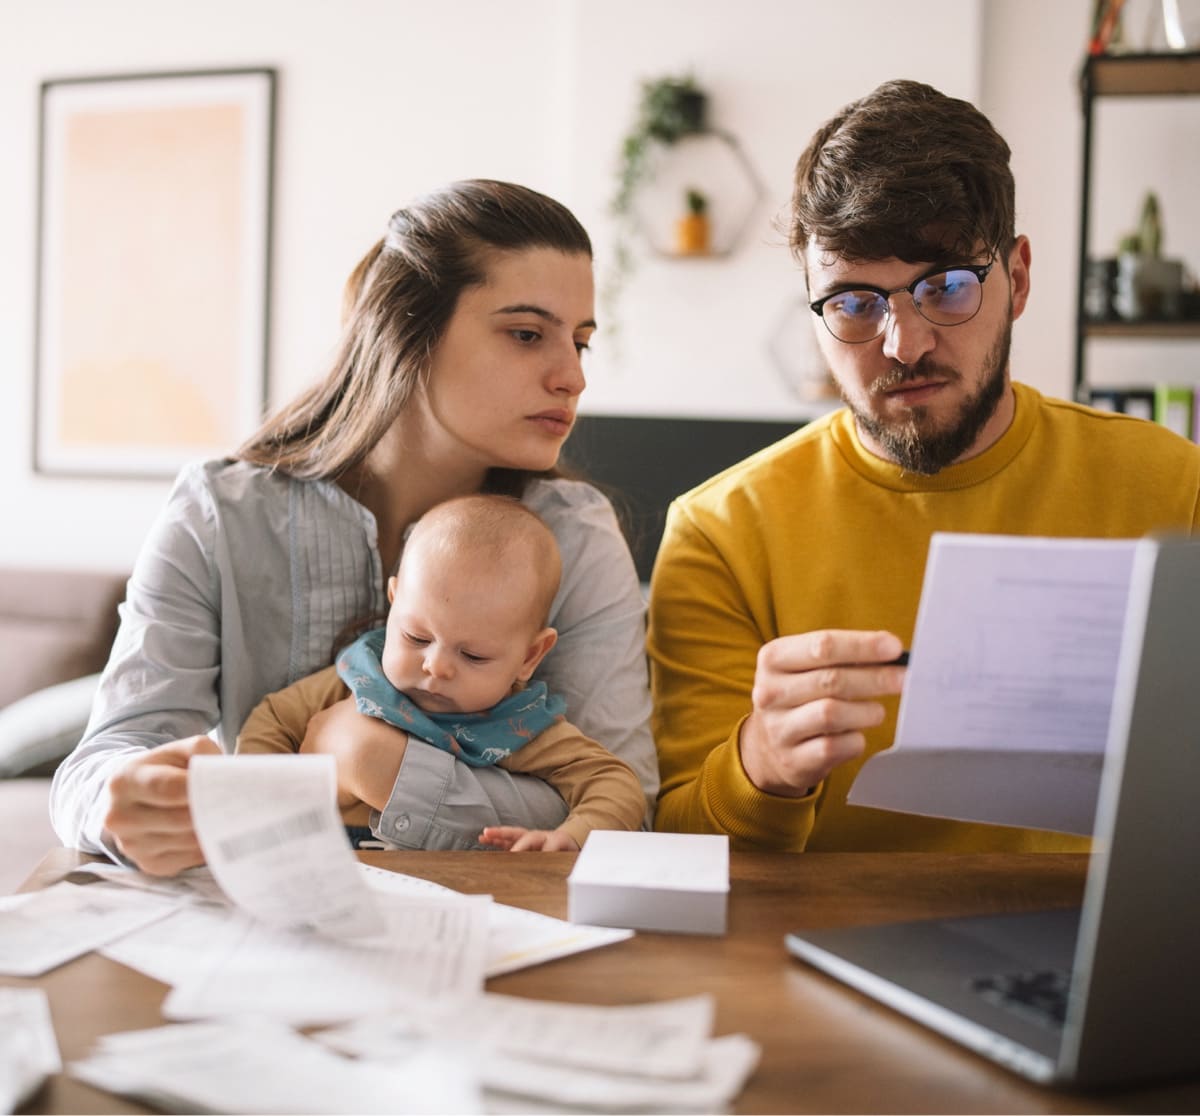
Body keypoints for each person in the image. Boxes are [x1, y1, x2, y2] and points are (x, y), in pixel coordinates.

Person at [648, 79, 1200, 853]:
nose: (903, 344)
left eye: (945, 286)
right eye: (852, 302)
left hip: (1104, 946)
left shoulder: (1177, 489)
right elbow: (674, 849)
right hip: (819, 956)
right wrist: (761, 767)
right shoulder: (720, 533)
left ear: (1021, 278)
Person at [50, 179, 658, 876]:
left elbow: (626, 803)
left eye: (580, 341)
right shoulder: (219, 513)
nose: (573, 376)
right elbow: (97, 766)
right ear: (407, 334)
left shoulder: (575, 536)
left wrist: (374, 764)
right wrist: (119, 803)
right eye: (527, 335)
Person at [236, 493, 646, 852]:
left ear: (530, 656)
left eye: (473, 656)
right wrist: (260, 807)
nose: (436, 666)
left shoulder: (519, 725)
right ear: (394, 602)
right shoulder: (360, 677)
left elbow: (616, 785)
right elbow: (272, 720)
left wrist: (573, 835)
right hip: (325, 865)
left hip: (455, 883)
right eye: (416, 637)